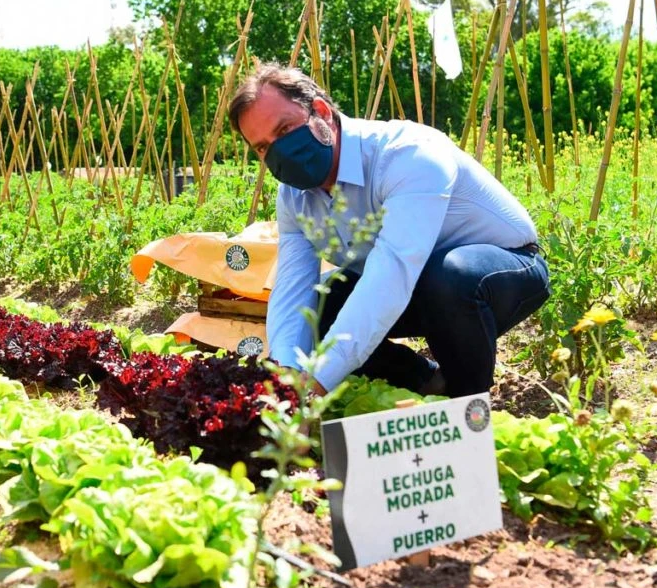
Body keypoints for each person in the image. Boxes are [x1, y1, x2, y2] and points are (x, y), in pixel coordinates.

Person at [228, 63, 550, 398]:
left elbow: (392, 273)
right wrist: (286, 380)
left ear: (321, 112)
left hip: (503, 271)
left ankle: (467, 407)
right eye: (263, 147)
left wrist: (318, 383)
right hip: (416, 287)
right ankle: (426, 381)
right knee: (322, 302)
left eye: (284, 130)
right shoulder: (294, 196)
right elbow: (294, 289)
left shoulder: (406, 154)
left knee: (447, 278)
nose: (279, 151)